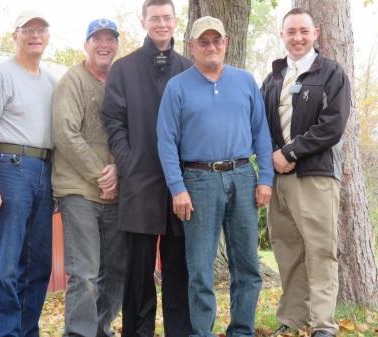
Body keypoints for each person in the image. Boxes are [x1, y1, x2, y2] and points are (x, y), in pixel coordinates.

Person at [157, 16, 274, 337]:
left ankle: (242, 331)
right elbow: (165, 141)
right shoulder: (177, 86)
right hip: (198, 182)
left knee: (247, 265)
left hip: (242, 176)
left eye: (217, 40)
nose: (211, 47)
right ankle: (202, 333)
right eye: (203, 41)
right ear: (191, 46)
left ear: (226, 43)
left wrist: (265, 178)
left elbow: (262, 133)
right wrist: (177, 188)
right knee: (200, 269)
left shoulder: (245, 81)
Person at [101, 0, 194, 336]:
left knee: (178, 271)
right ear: (144, 23)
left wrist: (187, 174)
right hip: (139, 184)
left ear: (174, 22)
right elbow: (113, 121)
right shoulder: (123, 70)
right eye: (154, 18)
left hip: (181, 185)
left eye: (167, 18)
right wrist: (128, 163)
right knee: (138, 275)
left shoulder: (188, 69)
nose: (161, 24)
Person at [260, 8, 350, 337]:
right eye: (290, 31)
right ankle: (293, 319)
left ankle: (324, 325)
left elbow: (332, 126)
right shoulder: (273, 78)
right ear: (281, 36)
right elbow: (260, 125)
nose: (297, 37)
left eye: (304, 31)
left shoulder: (329, 74)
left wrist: (290, 152)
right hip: (279, 180)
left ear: (316, 34)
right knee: (287, 250)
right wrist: (272, 156)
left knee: (320, 249)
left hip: (315, 177)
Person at [0, 10, 56, 337]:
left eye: (42, 29)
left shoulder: (52, 82)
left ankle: (26, 330)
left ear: (48, 36)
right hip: (11, 169)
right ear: (15, 36)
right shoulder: (0, 76)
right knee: (8, 265)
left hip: (45, 171)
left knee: (39, 265)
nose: (35, 34)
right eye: (28, 29)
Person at [51, 18, 126, 337]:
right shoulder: (73, 80)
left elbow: (134, 134)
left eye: (110, 39)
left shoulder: (121, 84)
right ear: (86, 45)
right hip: (79, 193)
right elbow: (65, 133)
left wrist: (120, 171)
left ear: (117, 46)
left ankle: (100, 330)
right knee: (84, 273)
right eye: (97, 39)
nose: (104, 44)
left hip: (118, 193)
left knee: (115, 271)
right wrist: (101, 175)